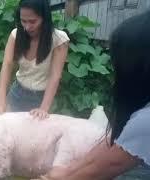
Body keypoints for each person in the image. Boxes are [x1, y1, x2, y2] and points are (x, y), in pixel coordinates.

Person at [36, 10, 150, 180]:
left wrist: (63, 176)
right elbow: (115, 143)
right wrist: (67, 170)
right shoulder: (142, 113)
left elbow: (106, 166)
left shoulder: (146, 119)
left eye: (117, 68)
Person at [0, 0, 69, 119]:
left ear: (44, 18)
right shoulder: (15, 35)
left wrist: (44, 108)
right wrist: (0, 100)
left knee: (34, 136)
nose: (27, 27)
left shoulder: (59, 40)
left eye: (33, 21)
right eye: (23, 21)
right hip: (17, 92)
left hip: (41, 98)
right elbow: (6, 66)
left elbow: (55, 76)